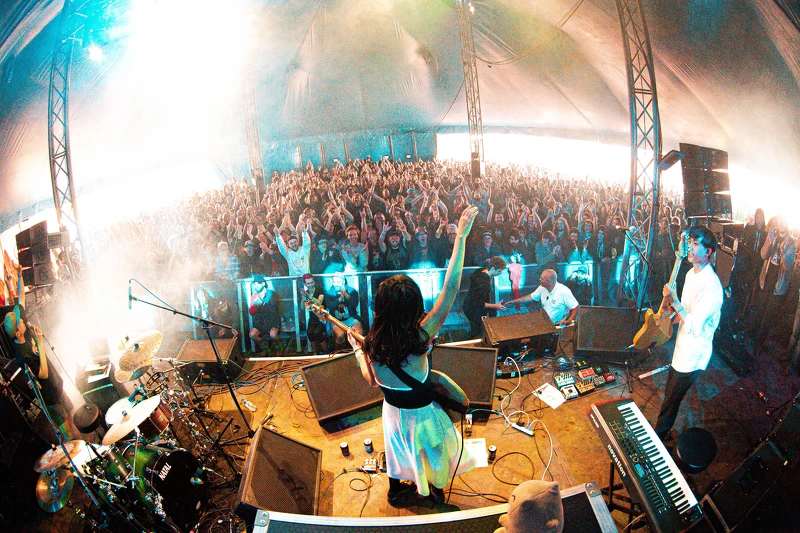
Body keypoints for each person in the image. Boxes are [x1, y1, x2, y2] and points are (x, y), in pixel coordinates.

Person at [346, 205, 479, 507]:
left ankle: (397, 491)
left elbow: (372, 381)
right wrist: (460, 238)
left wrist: (356, 349)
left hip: (392, 413)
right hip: (421, 414)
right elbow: (451, 287)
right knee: (430, 454)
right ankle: (431, 491)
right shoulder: (421, 335)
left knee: (398, 452)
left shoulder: (372, 344)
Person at [652, 226, 723, 441]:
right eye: (690, 242)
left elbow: (694, 326)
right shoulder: (692, 273)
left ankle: (658, 438)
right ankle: (663, 432)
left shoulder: (712, 287)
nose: (690, 248)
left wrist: (674, 301)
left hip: (693, 354)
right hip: (682, 347)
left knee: (671, 401)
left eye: (696, 244)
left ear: (708, 251)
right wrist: (668, 315)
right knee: (670, 395)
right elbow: (685, 310)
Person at [4, 305, 73, 441]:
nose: (22, 321)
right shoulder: (22, 356)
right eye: (19, 322)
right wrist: (40, 342)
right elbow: (43, 374)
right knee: (68, 434)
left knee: (70, 416)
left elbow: (20, 302)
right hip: (50, 398)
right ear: (17, 334)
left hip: (56, 385)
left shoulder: (25, 332)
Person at [505, 269, 579, 326]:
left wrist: (570, 319)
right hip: (545, 324)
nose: (539, 279)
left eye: (541, 278)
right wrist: (513, 302)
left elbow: (576, 306)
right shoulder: (542, 288)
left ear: (549, 281)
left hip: (557, 327)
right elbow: (530, 297)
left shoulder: (563, 291)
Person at [462, 256, 508, 339]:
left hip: (468, 305)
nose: (500, 273)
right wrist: (495, 306)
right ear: (493, 268)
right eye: (499, 271)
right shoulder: (483, 283)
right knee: (477, 331)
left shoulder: (480, 271)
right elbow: (478, 303)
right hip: (473, 310)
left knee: (476, 328)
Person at [248, 279, 282, 350]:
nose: (255, 286)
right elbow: (251, 313)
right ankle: (265, 346)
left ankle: (279, 346)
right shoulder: (254, 296)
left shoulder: (271, 294)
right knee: (252, 335)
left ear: (263, 284)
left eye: (257, 284)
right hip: (261, 322)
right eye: (254, 284)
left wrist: (262, 303)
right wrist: (255, 306)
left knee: (273, 334)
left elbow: (274, 310)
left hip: (273, 322)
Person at [300, 274, 328, 354]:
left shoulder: (320, 290)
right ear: (305, 284)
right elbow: (302, 307)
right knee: (310, 333)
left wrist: (309, 296)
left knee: (317, 332)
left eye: (312, 282)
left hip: (322, 317)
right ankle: (315, 353)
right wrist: (303, 298)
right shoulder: (306, 293)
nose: (310, 285)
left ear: (314, 282)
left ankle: (326, 352)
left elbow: (319, 303)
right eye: (308, 283)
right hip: (313, 318)